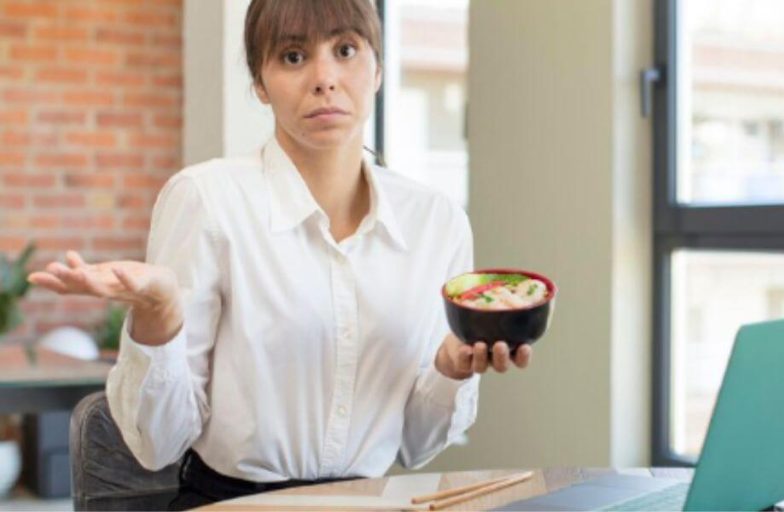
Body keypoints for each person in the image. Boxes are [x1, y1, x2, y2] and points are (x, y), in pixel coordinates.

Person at [28, 0, 532, 508]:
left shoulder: (437, 222)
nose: (324, 78)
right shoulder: (207, 200)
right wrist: (159, 316)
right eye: (293, 56)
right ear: (260, 84)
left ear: (377, 68)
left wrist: (449, 366)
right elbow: (158, 445)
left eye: (346, 50)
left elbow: (417, 446)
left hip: (373, 501)